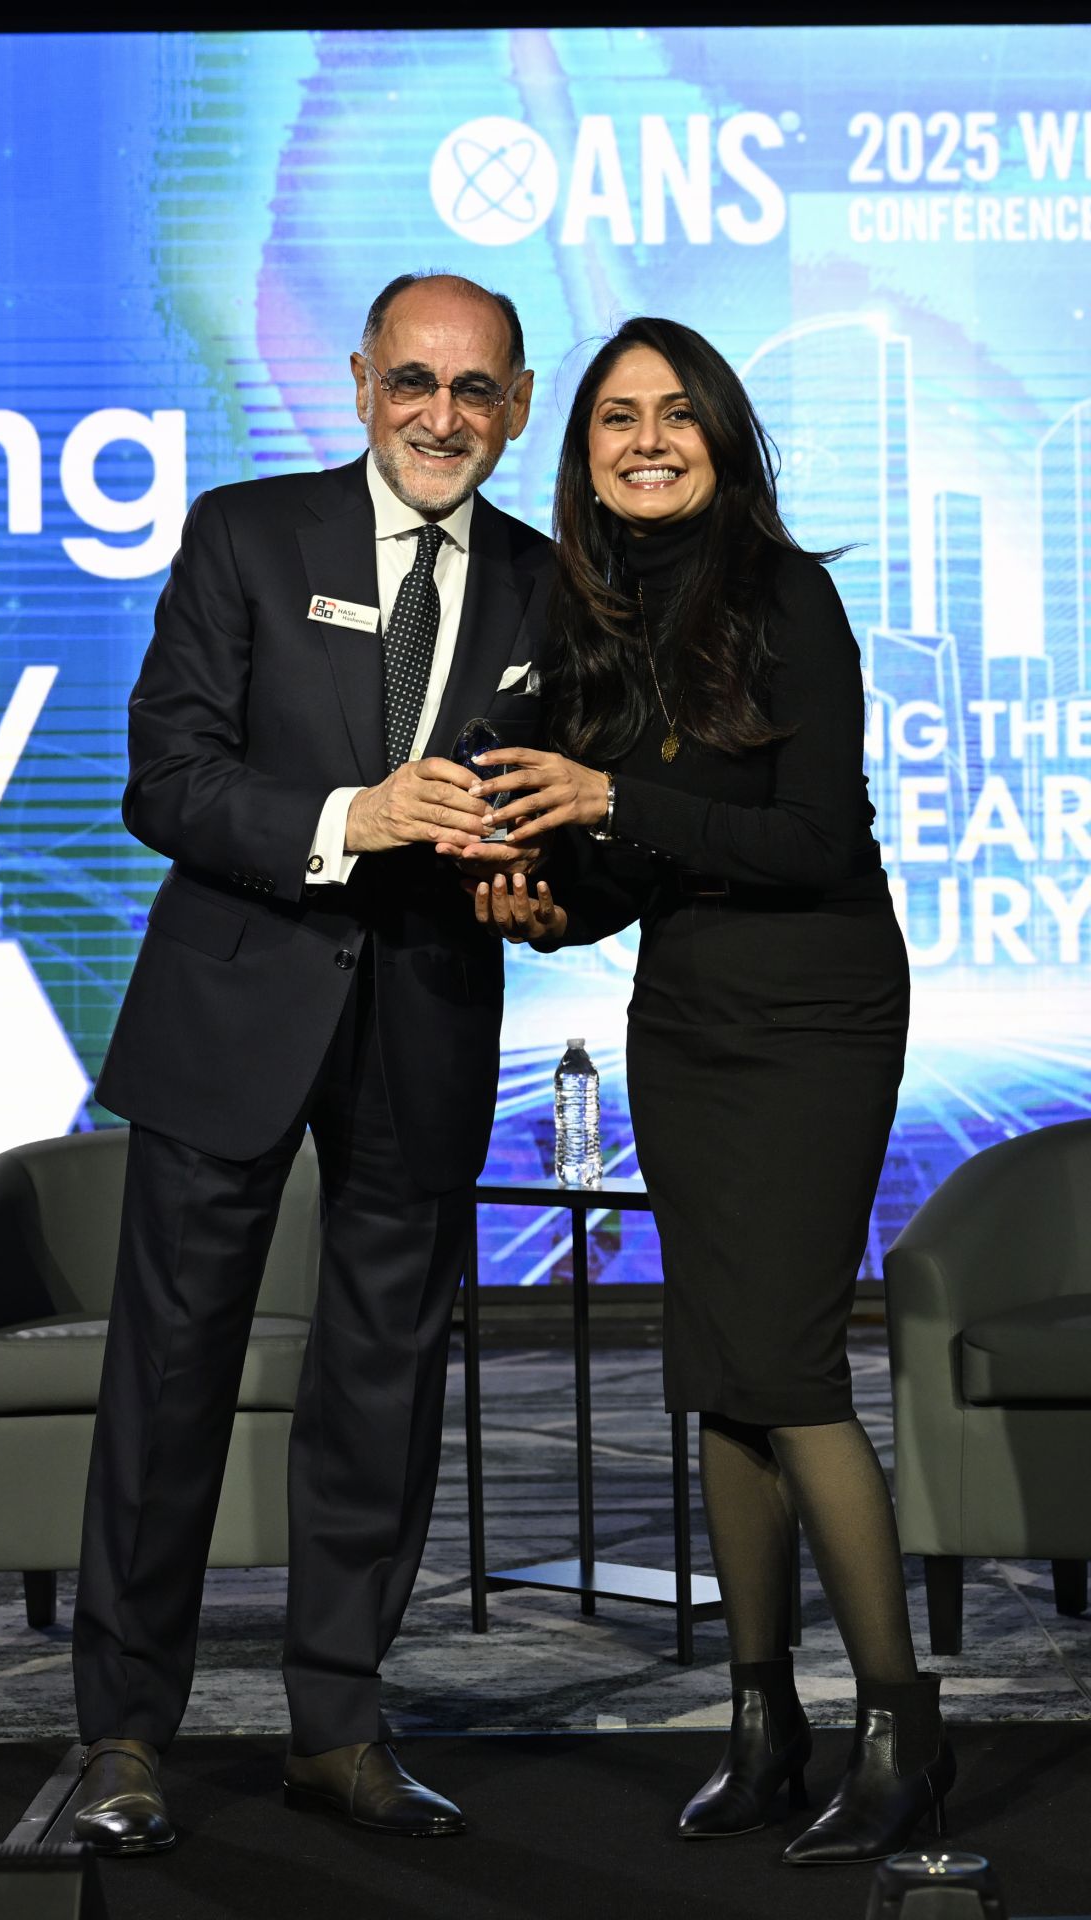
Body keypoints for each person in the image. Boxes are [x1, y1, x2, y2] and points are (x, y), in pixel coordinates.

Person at [70, 272, 553, 1854]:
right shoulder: (244, 535)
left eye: (472, 390)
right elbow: (166, 779)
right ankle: (125, 1732)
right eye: (413, 381)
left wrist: (544, 880)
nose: (439, 416)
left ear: (518, 406)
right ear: (359, 383)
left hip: (428, 1018)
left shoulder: (550, 586)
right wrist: (355, 817)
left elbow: (566, 806)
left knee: (381, 1388)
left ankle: (339, 1728)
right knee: (169, 1377)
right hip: (233, 1012)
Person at [463, 316, 953, 1866]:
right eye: (618, 418)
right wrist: (554, 905)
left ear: (723, 438)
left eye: (677, 414)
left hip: (815, 1007)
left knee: (789, 1370)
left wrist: (614, 796)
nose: (648, 440)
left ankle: (902, 1730)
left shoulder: (784, 594)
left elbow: (814, 842)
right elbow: (639, 867)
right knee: (719, 1371)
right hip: (682, 1011)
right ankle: (764, 1725)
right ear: (584, 451)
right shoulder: (589, 618)